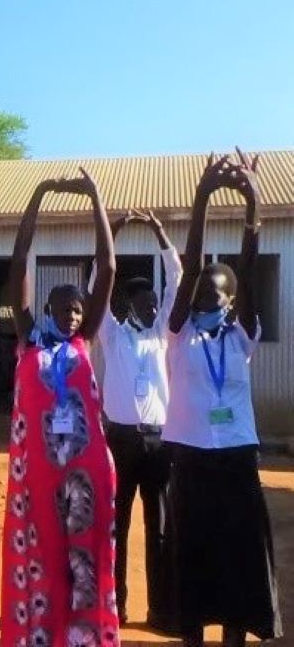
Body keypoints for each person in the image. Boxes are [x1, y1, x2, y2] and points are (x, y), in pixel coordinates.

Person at [162, 151, 282, 646]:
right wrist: (203, 197)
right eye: (200, 296)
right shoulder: (178, 332)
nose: (206, 301)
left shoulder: (242, 336)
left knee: (237, 558)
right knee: (191, 558)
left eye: (216, 296)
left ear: (232, 301)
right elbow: (190, 266)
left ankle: (233, 638)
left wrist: (252, 198)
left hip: (234, 458)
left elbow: (248, 269)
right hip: (189, 458)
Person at [1, 169, 119, 646]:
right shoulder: (29, 339)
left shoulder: (84, 340)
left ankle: (84, 638)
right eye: (65, 308)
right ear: (47, 309)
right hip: (38, 472)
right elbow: (17, 266)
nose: (73, 314)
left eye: (78, 308)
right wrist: (37, 197)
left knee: (86, 560)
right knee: (44, 559)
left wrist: (95, 198)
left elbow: (107, 268)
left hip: (87, 471)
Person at [91, 208, 180, 629]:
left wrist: (161, 235)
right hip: (120, 441)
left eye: (154, 303)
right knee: (117, 527)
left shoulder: (163, 332)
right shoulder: (112, 333)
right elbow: (96, 286)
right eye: (145, 303)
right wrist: (116, 229)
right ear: (129, 304)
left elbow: (178, 282)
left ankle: (160, 610)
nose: (152, 308)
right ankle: (116, 607)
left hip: (159, 442)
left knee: (159, 528)